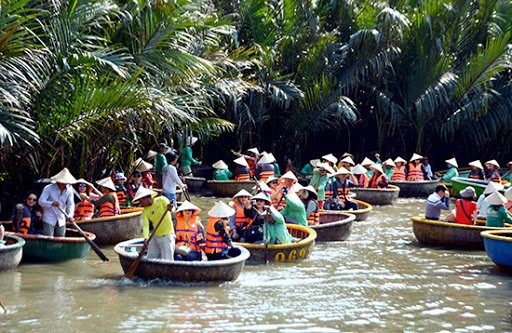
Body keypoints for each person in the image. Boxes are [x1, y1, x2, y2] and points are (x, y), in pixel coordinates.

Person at [133, 187, 175, 260]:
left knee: (168, 260)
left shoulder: (162, 200)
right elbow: (146, 226)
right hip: (156, 235)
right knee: (151, 257)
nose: (140, 203)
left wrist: (170, 207)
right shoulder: (145, 211)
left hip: (167, 234)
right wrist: (145, 238)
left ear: (145, 198)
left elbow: (172, 210)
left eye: (141, 200)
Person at [38, 168, 76, 237]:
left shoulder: (69, 190)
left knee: (61, 239)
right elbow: (41, 201)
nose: (63, 183)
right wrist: (51, 203)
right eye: (62, 182)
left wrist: (70, 215)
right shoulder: (48, 188)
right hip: (49, 218)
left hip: (61, 219)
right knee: (49, 238)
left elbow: (71, 204)